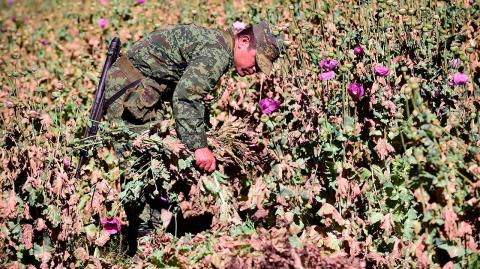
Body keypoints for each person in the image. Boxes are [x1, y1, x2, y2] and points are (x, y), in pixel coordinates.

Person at [102, 21, 283, 255]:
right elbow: (186, 97)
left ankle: (154, 232)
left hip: (140, 89)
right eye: (256, 62)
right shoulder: (217, 53)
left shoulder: (219, 46)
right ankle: (145, 239)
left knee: (152, 162)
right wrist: (199, 147)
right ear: (244, 41)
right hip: (127, 89)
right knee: (138, 164)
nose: (254, 70)